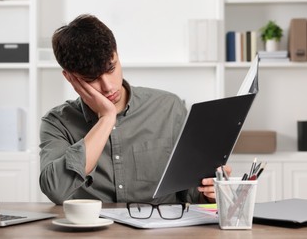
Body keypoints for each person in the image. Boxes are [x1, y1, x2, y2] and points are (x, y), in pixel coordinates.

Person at [39, 14, 231, 205]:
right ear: (70, 78)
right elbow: (56, 191)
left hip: (162, 232)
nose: (108, 87)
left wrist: (209, 192)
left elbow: (190, 193)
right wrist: (107, 119)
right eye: (91, 79)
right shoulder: (57, 123)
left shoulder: (169, 108)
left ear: (117, 54)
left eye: (111, 69)